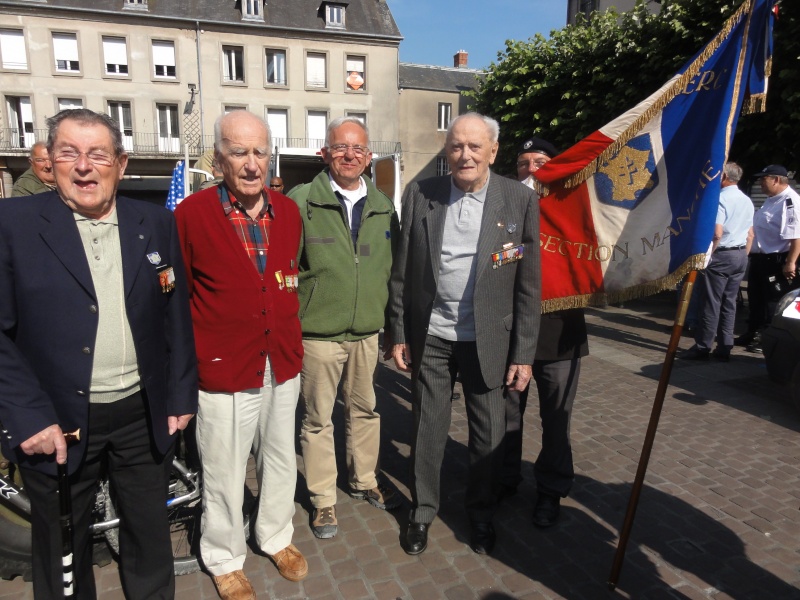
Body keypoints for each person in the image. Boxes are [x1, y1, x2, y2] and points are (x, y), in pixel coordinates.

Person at [0, 108, 198, 599]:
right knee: (62, 547)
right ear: (49, 162)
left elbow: (175, 314)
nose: (84, 166)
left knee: (149, 537)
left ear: (121, 164)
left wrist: (179, 394)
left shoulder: (153, 222)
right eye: (69, 153)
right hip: (57, 422)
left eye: (98, 154)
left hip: (141, 414)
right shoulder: (14, 224)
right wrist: (26, 416)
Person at [388, 112, 541, 556]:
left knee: (488, 433)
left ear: (493, 151)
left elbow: (529, 284)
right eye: (456, 146)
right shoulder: (421, 193)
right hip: (432, 335)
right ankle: (422, 511)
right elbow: (402, 272)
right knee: (427, 427)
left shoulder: (518, 200)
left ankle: (481, 513)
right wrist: (398, 331)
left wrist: (524, 352)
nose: (465, 155)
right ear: (446, 151)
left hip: (489, 337)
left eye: (475, 146)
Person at [174, 110, 308, 599]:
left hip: (282, 361)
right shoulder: (190, 216)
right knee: (225, 469)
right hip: (223, 366)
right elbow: (176, 298)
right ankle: (224, 557)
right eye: (239, 152)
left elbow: (287, 280)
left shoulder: (288, 213)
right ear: (218, 159)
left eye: (259, 152)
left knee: (279, 459)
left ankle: (275, 535)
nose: (251, 164)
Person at [289, 116, 401, 540]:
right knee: (318, 420)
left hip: (367, 333)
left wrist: (391, 326)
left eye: (358, 149)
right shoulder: (302, 202)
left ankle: (364, 479)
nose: (349, 155)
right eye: (340, 148)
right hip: (318, 334)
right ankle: (322, 500)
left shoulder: (383, 205)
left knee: (365, 410)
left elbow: (392, 270)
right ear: (325, 154)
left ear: (369, 157)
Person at [498, 137, 589, 528]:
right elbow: (494, 259)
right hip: (513, 330)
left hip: (559, 332)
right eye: (522, 163)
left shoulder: (575, 208)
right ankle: (504, 479)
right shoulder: (501, 206)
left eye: (541, 161)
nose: (530, 169)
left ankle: (551, 490)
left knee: (555, 418)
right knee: (507, 416)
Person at [682, 162, 754, 362]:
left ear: (724, 177)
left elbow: (717, 233)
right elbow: (750, 234)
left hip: (722, 255)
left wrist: (709, 256)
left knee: (711, 303)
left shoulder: (720, 199)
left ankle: (703, 346)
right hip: (739, 254)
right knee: (729, 303)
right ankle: (724, 346)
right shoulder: (747, 200)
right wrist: (743, 255)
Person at [735, 165, 800, 353]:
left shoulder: (790, 202)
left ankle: (767, 337)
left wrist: (790, 262)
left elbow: (796, 236)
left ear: (776, 180)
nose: (760, 183)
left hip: (776, 260)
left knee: (772, 301)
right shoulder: (771, 200)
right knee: (756, 298)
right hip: (760, 259)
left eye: (764, 179)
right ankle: (753, 331)